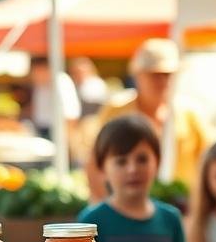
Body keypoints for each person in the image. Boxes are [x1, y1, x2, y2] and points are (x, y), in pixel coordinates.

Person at [86, 39, 208, 202]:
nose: (163, 81)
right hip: (125, 205)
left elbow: (208, 162)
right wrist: (105, 206)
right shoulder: (116, 110)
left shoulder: (191, 114)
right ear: (138, 75)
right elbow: (95, 162)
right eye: (155, 75)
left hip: (182, 206)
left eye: (167, 75)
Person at [77, 115, 187, 242]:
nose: (133, 169)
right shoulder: (91, 222)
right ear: (102, 168)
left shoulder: (171, 219)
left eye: (142, 159)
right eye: (121, 161)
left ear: (157, 162)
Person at [27, 56, 81, 141]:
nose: (33, 75)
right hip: (42, 128)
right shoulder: (40, 86)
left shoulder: (61, 81)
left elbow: (71, 112)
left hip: (58, 130)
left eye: (36, 72)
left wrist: (65, 137)